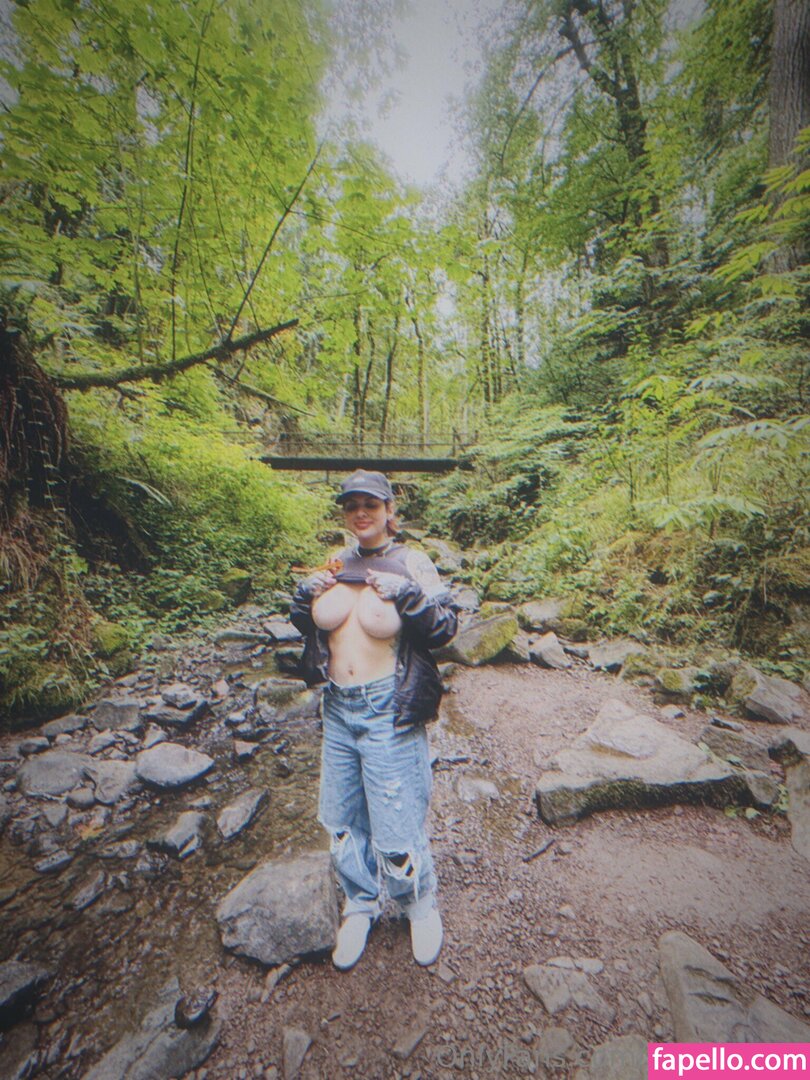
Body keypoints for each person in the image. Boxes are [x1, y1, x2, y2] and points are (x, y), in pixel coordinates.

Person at [290, 469, 457, 970]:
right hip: (337, 709)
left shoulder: (412, 562)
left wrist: (408, 594)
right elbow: (309, 626)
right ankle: (360, 905)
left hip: (390, 707)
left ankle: (417, 904)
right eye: (351, 506)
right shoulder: (336, 563)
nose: (360, 513)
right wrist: (302, 596)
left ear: (389, 511)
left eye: (371, 504)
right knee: (342, 819)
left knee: (396, 822)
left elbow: (445, 628)